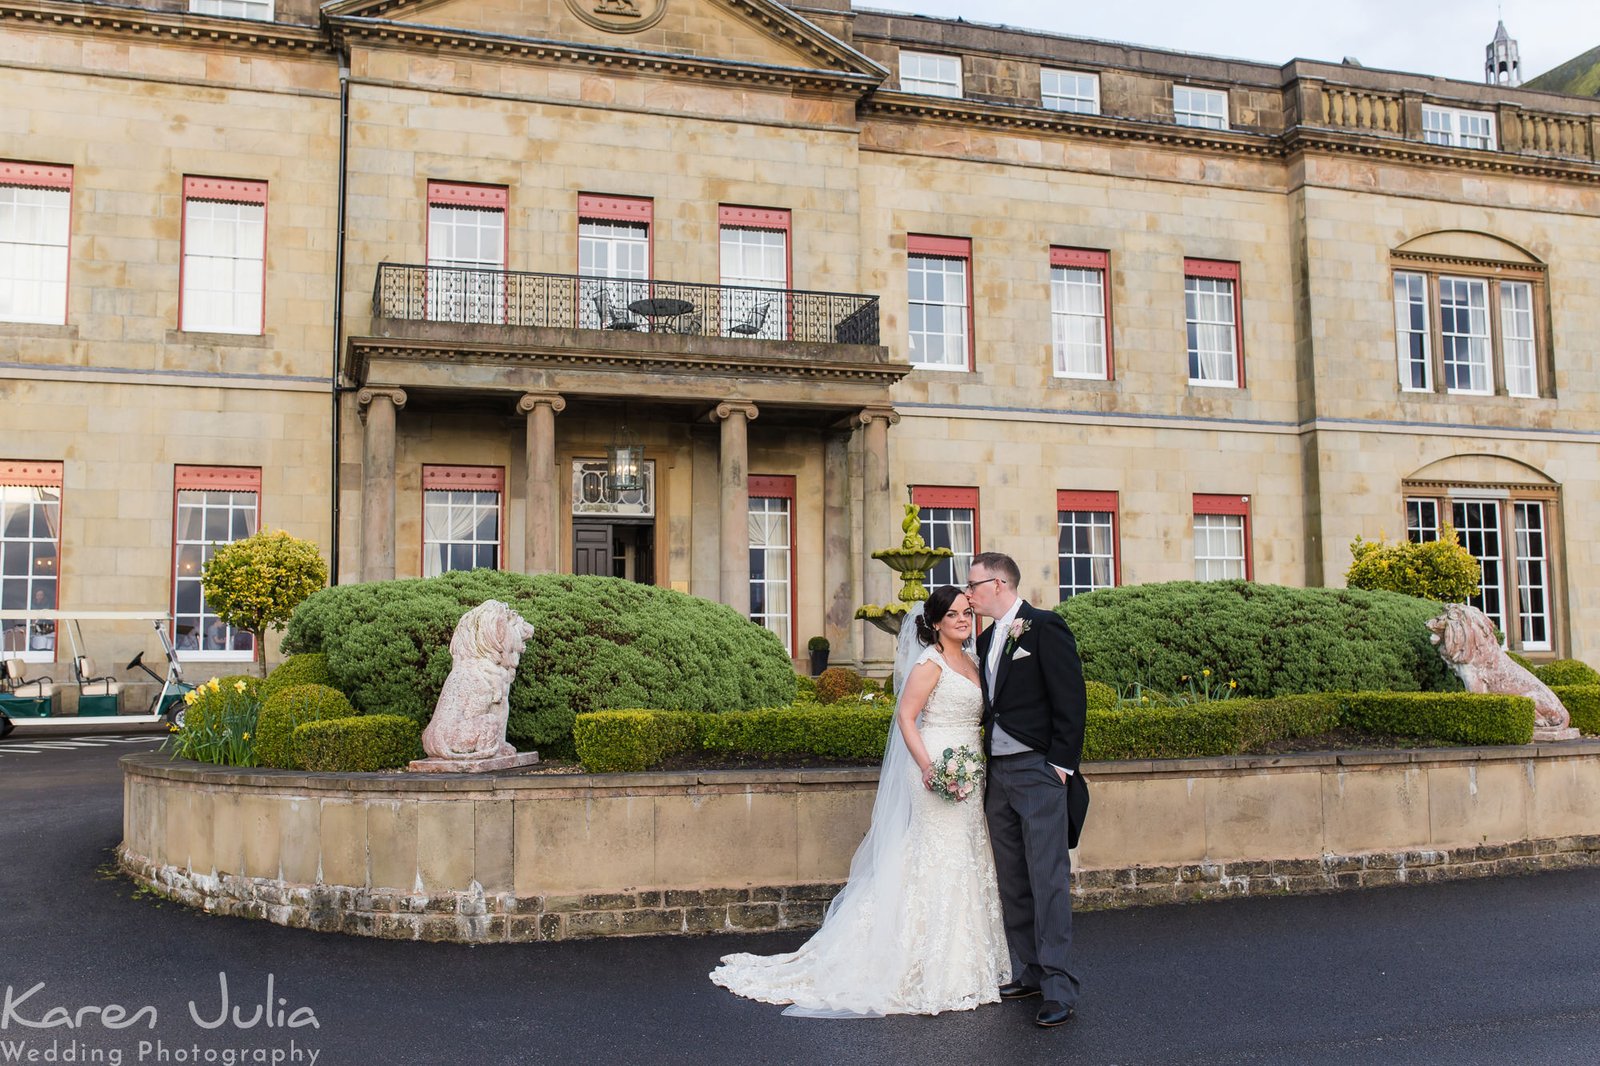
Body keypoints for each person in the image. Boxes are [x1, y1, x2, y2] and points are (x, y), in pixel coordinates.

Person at [710, 585, 1009, 1016]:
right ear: (938, 622)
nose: (964, 619)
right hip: (934, 765)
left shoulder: (973, 660)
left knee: (966, 854)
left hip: (970, 767)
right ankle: (924, 964)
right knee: (937, 855)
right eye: (955, 614)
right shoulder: (931, 663)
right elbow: (906, 718)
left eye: (967, 612)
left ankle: (963, 962)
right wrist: (929, 767)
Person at [965, 551, 1090, 1029]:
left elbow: (1070, 699)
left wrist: (1059, 766)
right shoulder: (986, 637)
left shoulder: (1044, 626)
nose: (969, 593)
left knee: (1048, 879)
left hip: (1039, 771)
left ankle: (1059, 985)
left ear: (998, 584)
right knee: (1012, 877)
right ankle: (1030, 970)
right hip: (999, 775)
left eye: (974, 585)